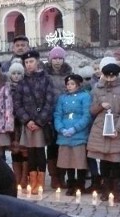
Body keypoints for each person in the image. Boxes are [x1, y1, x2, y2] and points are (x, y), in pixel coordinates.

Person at [87, 62, 120, 203]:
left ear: (117, 76)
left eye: (112, 77)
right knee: (103, 160)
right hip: (101, 127)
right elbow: (92, 110)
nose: (109, 79)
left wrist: (118, 129)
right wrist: (101, 106)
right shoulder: (97, 88)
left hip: (116, 127)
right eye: (107, 76)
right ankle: (105, 188)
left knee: (115, 160)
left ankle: (116, 189)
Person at [13, 50, 56, 193]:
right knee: (30, 152)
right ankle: (32, 181)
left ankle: (41, 181)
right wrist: (27, 120)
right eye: (26, 62)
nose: (28, 65)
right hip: (28, 123)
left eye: (31, 61)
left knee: (40, 152)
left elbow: (50, 101)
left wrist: (39, 121)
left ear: (37, 62)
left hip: (41, 123)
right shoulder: (22, 82)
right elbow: (17, 104)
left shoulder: (47, 79)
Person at [53, 74, 91, 195]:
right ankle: (71, 184)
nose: (70, 86)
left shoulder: (85, 96)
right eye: (68, 84)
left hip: (78, 133)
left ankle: (80, 184)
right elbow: (58, 114)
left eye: (72, 84)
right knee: (67, 161)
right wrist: (60, 128)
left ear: (78, 85)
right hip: (65, 134)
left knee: (79, 161)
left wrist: (75, 128)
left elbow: (86, 115)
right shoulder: (62, 98)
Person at [44, 46, 73, 189]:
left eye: (60, 58)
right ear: (50, 59)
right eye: (54, 58)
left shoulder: (69, 74)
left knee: (63, 146)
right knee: (52, 146)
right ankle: (54, 176)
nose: (57, 61)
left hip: (65, 114)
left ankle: (63, 175)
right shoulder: (45, 74)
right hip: (50, 113)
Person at [8, 62, 28, 187]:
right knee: (14, 149)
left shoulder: (25, 87)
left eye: (19, 74)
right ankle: (17, 176)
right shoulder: (6, 87)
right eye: (14, 73)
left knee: (24, 149)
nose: (16, 76)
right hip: (11, 120)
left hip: (23, 120)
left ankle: (25, 176)